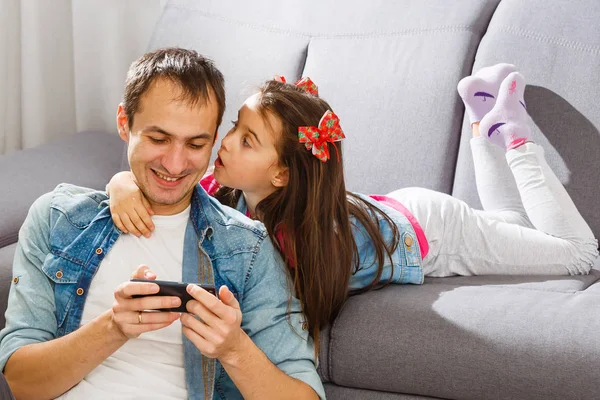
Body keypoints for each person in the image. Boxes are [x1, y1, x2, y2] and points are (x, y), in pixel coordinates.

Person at [106, 65, 599, 349]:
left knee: (580, 254)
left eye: (247, 139)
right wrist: (120, 182)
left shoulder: (293, 242)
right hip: (405, 211)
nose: (225, 142)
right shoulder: (229, 188)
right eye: (235, 127)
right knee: (509, 225)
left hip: (438, 237)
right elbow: (171, 189)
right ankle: (481, 117)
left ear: (281, 174)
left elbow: (281, 309)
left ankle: (514, 142)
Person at [0, 48, 324, 400]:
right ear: (124, 123)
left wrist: (234, 349)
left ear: (214, 141)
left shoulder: (246, 249)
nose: (174, 163)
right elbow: (21, 383)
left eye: (196, 144)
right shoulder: (56, 219)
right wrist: (113, 328)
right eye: (158, 139)